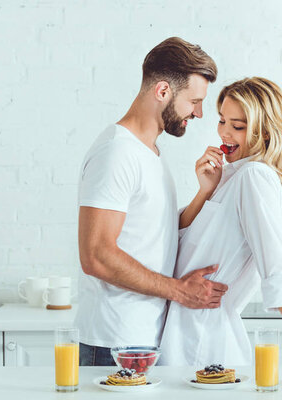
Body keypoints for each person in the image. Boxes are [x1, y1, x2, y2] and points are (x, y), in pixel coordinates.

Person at [159, 77, 282, 367]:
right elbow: (176, 239)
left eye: (237, 126)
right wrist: (205, 191)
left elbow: (276, 269)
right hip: (182, 334)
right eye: (222, 120)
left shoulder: (254, 177)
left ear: (264, 133)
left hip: (201, 343)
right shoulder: (230, 177)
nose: (225, 132)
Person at [75, 37, 228, 366]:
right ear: (163, 91)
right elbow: (96, 255)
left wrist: (204, 192)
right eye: (194, 101)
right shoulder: (117, 153)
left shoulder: (150, 153)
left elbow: (153, 233)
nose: (199, 113)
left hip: (142, 339)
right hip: (113, 345)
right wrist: (179, 290)